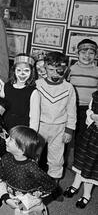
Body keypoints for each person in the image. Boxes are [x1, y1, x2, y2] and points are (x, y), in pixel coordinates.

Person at [0, 126, 57, 215]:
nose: (6, 139)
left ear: (22, 148)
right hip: (8, 202)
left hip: (29, 209)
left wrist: (29, 200)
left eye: (11, 139)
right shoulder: (6, 158)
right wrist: (5, 197)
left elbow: (50, 186)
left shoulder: (32, 168)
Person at [36, 52, 76, 199]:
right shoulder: (37, 84)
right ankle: (30, 183)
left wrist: (69, 130)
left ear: (65, 69)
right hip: (39, 126)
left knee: (56, 159)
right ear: (45, 68)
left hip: (59, 128)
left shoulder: (69, 88)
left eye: (58, 70)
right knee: (34, 156)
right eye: (50, 69)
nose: (54, 73)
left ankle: (53, 187)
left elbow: (72, 111)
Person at [64, 90, 98, 209]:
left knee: (92, 167)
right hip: (92, 133)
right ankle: (75, 185)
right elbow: (90, 111)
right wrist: (92, 118)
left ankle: (86, 194)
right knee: (83, 161)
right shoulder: (96, 96)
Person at [66, 39, 98, 168]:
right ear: (77, 53)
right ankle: (61, 162)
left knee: (83, 138)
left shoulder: (97, 71)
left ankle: (78, 165)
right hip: (70, 107)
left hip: (88, 110)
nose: (87, 55)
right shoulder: (70, 69)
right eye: (84, 52)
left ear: (96, 55)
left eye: (91, 53)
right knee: (66, 135)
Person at [3, 54, 40, 131]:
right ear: (14, 71)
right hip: (4, 126)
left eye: (26, 70)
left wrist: (31, 135)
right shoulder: (6, 86)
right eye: (19, 70)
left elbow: (34, 118)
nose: (22, 74)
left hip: (21, 130)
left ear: (32, 72)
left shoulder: (33, 92)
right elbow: (0, 108)